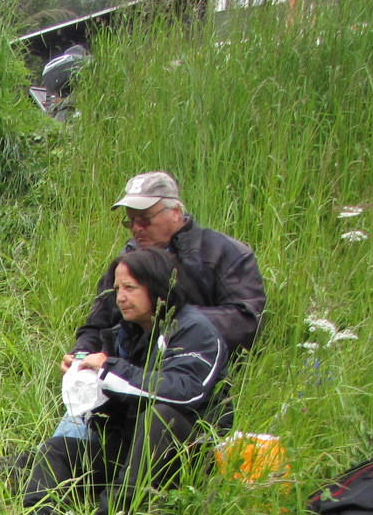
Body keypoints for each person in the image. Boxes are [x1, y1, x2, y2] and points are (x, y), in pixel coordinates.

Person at [23, 246, 227, 515]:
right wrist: (84, 371)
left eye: (130, 287)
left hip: (186, 459)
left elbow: (185, 392)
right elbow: (119, 393)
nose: (120, 297)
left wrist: (109, 370)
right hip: (131, 452)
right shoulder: (129, 331)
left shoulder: (195, 330)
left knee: (160, 417)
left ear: (157, 287)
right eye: (117, 288)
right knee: (55, 450)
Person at [63, 172, 264, 426]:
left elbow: (246, 322)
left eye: (145, 220)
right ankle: (47, 459)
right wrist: (80, 356)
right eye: (130, 221)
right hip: (127, 374)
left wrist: (168, 321)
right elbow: (98, 323)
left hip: (201, 376)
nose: (137, 229)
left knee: (156, 418)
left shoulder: (225, 253)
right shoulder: (128, 259)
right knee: (77, 416)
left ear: (176, 212)